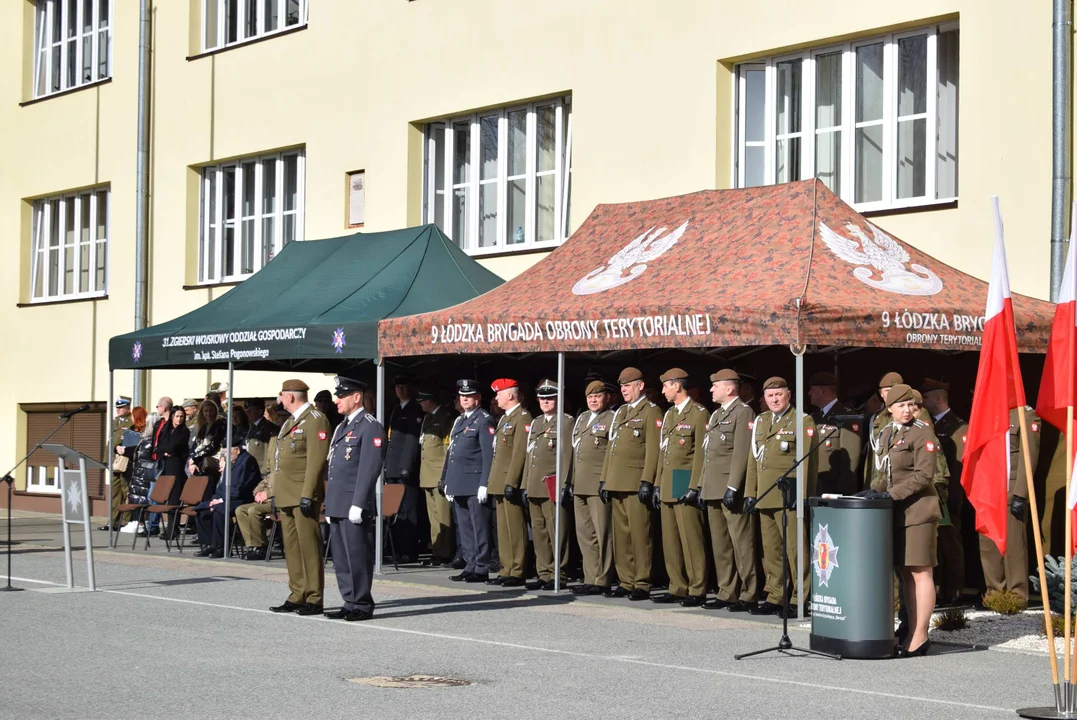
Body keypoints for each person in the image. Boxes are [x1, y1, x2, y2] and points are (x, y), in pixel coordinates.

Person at [862, 383, 942, 657]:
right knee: (907, 574)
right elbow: (883, 471)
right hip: (897, 512)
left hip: (919, 511)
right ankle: (910, 631)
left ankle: (920, 636)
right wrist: (872, 492)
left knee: (921, 573)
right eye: (901, 405)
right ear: (890, 408)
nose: (908, 410)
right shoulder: (886, 433)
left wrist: (889, 495)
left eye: (912, 405)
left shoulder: (922, 433)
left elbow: (924, 475)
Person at [744, 376, 817, 617]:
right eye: (770, 396)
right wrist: (750, 492)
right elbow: (754, 460)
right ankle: (776, 594)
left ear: (789, 396)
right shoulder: (761, 420)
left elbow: (808, 463)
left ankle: (800, 597)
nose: (774, 399)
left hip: (789, 496)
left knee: (796, 550)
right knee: (772, 550)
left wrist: (802, 494)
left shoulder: (801, 420)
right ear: (764, 399)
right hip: (765, 494)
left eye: (779, 395)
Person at [324, 376, 386, 621]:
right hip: (338, 501)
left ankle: (361, 602)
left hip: (353, 503)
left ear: (357, 397)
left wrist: (359, 503)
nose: (337, 401)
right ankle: (349, 599)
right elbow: (335, 468)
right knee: (340, 556)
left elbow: (369, 468)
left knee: (357, 554)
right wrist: (330, 503)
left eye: (342, 396)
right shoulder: (342, 426)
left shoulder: (369, 426)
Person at [269, 379, 331, 615]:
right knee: (292, 548)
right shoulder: (289, 423)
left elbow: (316, 460)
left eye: (282, 395)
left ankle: (314, 597)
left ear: (291, 396)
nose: (280, 399)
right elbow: (278, 462)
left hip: (302, 494)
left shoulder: (315, 420)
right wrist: (275, 493)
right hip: (286, 493)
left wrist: (308, 494)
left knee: (309, 547)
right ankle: (297, 593)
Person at [599, 367, 661, 600]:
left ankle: (642, 582)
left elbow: (653, 450)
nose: (624, 390)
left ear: (640, 386)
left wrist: (647, 480)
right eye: (622, 386)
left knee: (639, 535)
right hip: (617, 481)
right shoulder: (621, 412)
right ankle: (626, 580)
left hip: (636, 482)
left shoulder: (651, 412)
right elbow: (611, 448)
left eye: (628, 385)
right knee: (622, 536)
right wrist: (605, 477)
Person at [700, 369, 759, 612]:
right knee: (721, 544)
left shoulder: (743, 412)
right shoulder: (716, 415)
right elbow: (708, 455)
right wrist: (702, 486)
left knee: (741, 542)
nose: (711, 390)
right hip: (713, 487)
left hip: (729, 487)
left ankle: (749, 592)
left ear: (729, 389)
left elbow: (741, 453)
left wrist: (734, 486)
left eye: (715, 386)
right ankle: (727, 590)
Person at [651, 368, 709, 606]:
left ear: (676, 386)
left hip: (684, 478)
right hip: (668, 479)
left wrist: (695, 485)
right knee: (671, 539)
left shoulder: (698, 413)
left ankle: (697, 588)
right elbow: (662, 451)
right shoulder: (669, 414)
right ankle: (677, 585)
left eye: (665, 386)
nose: (663, 390)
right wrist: (656, 483)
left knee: (690, 538)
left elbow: (700, 454)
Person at [978, 405, 1041, 606]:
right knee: (988, 544)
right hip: (988, 490)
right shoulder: (987, 411)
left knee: (1014, 545)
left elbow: (1028, 455)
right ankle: (994, 592)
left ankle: (1016, 594)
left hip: (1010, 487)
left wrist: (1020, 493)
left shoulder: (1025, 414)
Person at [440, 379, 495, 583]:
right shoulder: (460, 420)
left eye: (469, 396)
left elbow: (488, 455)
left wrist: (484, 483)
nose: (465, 400)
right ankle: (470, 563)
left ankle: (481, 566)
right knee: (464, 526)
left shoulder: (484, 420)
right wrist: (446, 478)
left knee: (478, 525)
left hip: (474, 481)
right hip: (459, 481)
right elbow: (451, 452)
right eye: (462, 396)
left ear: (478, 398)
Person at [920, 378, 968, 605]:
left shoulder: (959, 427)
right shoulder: (928, 424)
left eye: (926, 397)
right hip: (932, 495)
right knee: (935, 547)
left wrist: (954, 499)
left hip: (949, 496)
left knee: (951, 546)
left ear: (938, 398)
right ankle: (938, 588)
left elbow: (959, 466)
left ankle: (954, 589)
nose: (923, 401)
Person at [523, 380, 573, 591]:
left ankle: (558, 574)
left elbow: (566, 456)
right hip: (534, 484)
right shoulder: (536, 423)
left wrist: (564, 483)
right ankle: (543, 572)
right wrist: (525, 483)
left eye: (550, 398)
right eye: (542, 398)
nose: (545, 402)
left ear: (558, 399)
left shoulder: (566, 422)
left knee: (556, 531)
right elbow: (529, 455)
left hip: (552, 483)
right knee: (540, 531)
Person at [485, 378, 532, 587]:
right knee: (503, 529)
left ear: (510, 395)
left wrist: (512, 481)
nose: (496, 398)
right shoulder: (505, 418)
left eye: (499, 394)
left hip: (509, 480)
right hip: (499, 479)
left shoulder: (523, 417)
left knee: (515, 528)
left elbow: (519, 453)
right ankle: (506, 568)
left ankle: (518, 569)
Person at [570, 381, 616, 595]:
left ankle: (603, 578)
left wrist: (607, 480)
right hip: (580, 483)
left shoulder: (611, 418)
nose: (593, 400)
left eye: (598, 396)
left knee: (602, 532)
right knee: (585, 533)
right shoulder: (582, 419)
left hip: (598, 483)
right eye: (590, 397)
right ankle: (590, 576)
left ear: (607, 398)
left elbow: (612, 452)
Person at [194, 437, 261, 557]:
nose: (225, 456)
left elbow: (242, 487)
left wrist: (221, 500)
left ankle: (221, 547)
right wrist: (216, 498)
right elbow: (221, 486)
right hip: (226, 498)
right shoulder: (231, 461)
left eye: (227, 453)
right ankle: (209, 544)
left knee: (219, 510)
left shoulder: (248, 461)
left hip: (240, 499)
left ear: (237, 450)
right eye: (223, 453)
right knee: (202, 510)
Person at [384, 375, 424, 562]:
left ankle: (409, 550)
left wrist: (406, 466)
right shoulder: (396, 409)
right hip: (392, 466)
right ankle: (397, 549)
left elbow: (411, 439)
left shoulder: (414, 409)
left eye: (403, 386)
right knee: (394, 510)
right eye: (397, 386)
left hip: (403, 468)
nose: (400, 390)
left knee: (408, 510)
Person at [418, 387, 457, 567]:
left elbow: (447, 448)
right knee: (433, 517)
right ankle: (436, 550)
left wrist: (445, 475)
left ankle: (445, 552)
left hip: (439, 474)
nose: (420, 404)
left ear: (430, 401)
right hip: (427, 474)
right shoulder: (427, 418)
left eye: (422, 401)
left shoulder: (445, 418)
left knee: (443, 516)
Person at [807, 372, 862, 496]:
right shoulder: (814, 417)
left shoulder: (847, 417)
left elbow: (851, 458)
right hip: (816, 485)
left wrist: (843, 492)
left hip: (834, 489)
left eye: (812, 390)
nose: (809, 393)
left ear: (823, 391)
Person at [102, 404, 145, 531]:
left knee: (126, 491)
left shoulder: (132, 422)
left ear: (128, 408)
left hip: (126, 461)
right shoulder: (115, 421)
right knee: (115, 493)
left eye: (121, 407)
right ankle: (113, 521)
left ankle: (125, 521)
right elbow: (110, 443)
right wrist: (106, 460)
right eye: (117, 407)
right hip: (116, 461)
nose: (118, 409)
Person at [235, 442, 275, 561]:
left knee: (253, 510)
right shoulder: (274, 471)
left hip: (275, 501)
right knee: (240, 510)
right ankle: (251, 544)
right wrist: (257, 492)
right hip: (263, 500)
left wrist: (267, 494)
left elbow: (284, 488)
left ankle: (260, 546)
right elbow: (264, 482)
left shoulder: (286, 472)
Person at [243, 399, 279, 476]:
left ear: (259, 411)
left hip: (261, 472)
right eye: (247, 411)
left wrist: (265, 472)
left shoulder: (268, 428)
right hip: (251, 470)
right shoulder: (253, 427)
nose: (248, 413)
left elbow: (269, 451)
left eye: (251, 411)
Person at [157, 407, 190, 480]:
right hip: (164, 463)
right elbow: (158, 446)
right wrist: (163, 452)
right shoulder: (166, 429)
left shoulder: (184, 431)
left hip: (176, 463)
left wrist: (164, 450)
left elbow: (172, 447)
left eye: (181, 416)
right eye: (177, 416)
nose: (179, 419)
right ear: (172, 416)